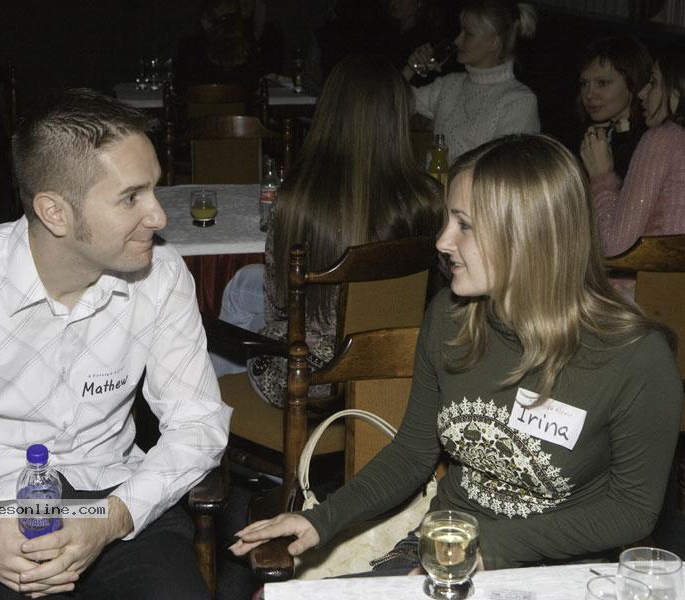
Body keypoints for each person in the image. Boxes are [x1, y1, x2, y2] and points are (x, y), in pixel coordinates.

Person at [229, 134, 682, 572]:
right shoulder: (450, 318)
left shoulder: (635, 356)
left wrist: (488, 548)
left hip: (557, 570)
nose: (443, 242)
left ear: (528, 236)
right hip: (442, 542)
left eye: (464, 225)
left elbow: (632, 510)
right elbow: (412, 454)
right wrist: (320, 519)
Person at [0, 88, 231, 599]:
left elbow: (197, 424)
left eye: (154, 189)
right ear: (55, 212)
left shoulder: (161, 275)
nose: (159, 216)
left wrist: (112, 517)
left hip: (112, 497)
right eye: (131, 197)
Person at [212, 53, 444, 408]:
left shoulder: (296, 200)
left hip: (314, 382)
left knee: (256, 315)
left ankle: (204, 403)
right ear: (398, 117)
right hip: (396, 366)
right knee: (245, 285)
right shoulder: (428, 199)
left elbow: (279, 309)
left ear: (328, 111)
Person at [401, 0, 540, 163]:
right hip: (434, 180)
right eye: (460, 31)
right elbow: (392, 103)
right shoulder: (449, 85)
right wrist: (410, 68)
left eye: (468, 33)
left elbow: (509, 170)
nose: (457, 41)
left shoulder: (518, 101)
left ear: (493, 43)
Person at [580, 47, 685, 258]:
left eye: (653, 82)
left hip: (651, 278)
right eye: (583, 84)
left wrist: (601, 177)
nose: (642, 93)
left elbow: (616, 247)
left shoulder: (664, 138)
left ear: (676, 93)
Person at [575, 36, 653, 180]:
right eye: (584, 83)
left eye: (602, 83)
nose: (589, 94)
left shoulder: (647, 144)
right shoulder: (587, 133)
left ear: (633, 83)